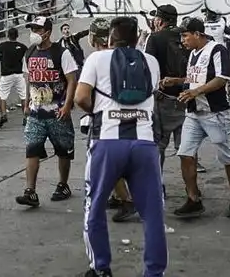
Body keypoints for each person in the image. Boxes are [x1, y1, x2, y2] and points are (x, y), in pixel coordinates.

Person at [76, 16, 167, 277]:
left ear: (110, 38)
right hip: (145, 143)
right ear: (138, 37)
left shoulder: (96, 59)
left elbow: (81, 97)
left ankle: (100, 267)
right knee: (152, 214)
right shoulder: (151, 62)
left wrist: (99, 112)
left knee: (94, 208)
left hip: (107, 142)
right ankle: (154, 272)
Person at [168, 18, 230, 219]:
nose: (183, 40)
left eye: (185, 35)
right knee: (185, 154)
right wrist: (176, 81)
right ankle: (193, 199)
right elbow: (194, 79)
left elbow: (222, 79)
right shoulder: (193, 54)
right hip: (194, 114)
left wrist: (196, 92)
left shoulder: (217, 49)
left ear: (197, 34)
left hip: (215, 114)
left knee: (226, 157)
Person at [17, 16, 79, 207]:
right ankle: (30, 192)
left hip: (58, 113)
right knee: (32, 150)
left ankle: (63, 184)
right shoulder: (29, 53)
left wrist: (68, 105)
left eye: (38, 29)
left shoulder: (62, 52)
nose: (34, 33)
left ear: (48, 32)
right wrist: (26, 104)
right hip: (36, 114)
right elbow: (30, 80)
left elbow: (71, 80)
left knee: (63, 151)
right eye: (33, 29)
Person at [143, 5, 189, 164]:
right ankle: (192, 188)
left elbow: (147, 68)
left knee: (158, 146)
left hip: (163, 99)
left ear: (160, 20)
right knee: (187, 147)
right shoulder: (186, 36)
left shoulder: (155, 38)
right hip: (188, 97)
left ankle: (157, 185)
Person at [0, 27, 29, 128]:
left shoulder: (2, 46)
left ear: (8, 35)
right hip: (18, 74)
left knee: (2, 96)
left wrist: (2, 58)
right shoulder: (22, 47)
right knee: (23, 95)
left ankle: (3, 115)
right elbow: (27, 57)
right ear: (17, 36)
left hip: (6, 75)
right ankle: (26, 117)